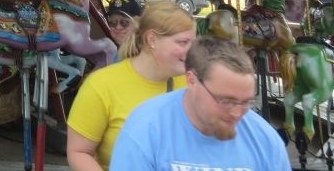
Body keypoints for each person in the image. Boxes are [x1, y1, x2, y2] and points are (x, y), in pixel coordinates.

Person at [109, 36, 290, 171]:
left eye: (246, 102)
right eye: (226, 101)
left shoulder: (265, 139)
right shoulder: (145, 130)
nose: (237, 113)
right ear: (192, 81)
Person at [67, 1, 195, 171]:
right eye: (183, 42)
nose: (191, 50)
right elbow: (79, 151)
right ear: (152, 39)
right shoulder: (101, 85)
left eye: (193, 43)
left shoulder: (192, 83)